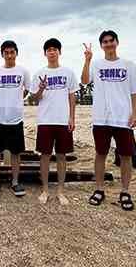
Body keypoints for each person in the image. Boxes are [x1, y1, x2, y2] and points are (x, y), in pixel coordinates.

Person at [81, 30, 136, 211]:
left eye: (111, 41)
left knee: (126, 156)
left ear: (116, 42)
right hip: (101, 118)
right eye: (105, 42)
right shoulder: (96, 64)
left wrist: (135, 114)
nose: (108, 44)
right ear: (101, 46)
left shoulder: (128, 65)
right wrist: (87, 59)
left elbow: (135, 91)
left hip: (123, 118)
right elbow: (84, 81)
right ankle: (99, 189)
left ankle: (125, 191)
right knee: (100, 154)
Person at [30, 38, 77, 205]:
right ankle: (44, 190)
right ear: (45, 53)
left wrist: (72, 117)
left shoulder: (68, 73)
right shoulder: (39, 73)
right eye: (49, 49)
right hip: (45, 121)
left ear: (59, 52)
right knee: (44, 156)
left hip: (63, 121)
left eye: (55, 49)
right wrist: (41, 88)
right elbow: (34, 99)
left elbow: (72, 96)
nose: (52, 52)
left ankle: (61, 191)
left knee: (62, 156)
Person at [0, 40, 30, 198]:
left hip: (16, 119)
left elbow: (26, 91)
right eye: (6, 52)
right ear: (2, 54)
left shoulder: (23, 71)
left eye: (12, 52)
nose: (9, 55)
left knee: (15, 153)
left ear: (16, 53)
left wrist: (15, 102)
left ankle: (15, 182)